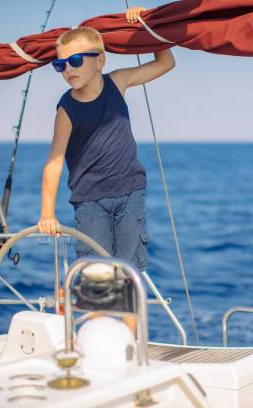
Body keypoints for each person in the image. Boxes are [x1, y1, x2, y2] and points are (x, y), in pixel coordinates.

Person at [37, 7, 175, 274]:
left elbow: (166, 63)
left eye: (75, 61)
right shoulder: (66, 109)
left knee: (128, 274)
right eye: (60, 65)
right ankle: (99, 315)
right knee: (96, 276)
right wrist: (47, 213)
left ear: (100, 60)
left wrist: (145, 25)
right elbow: (54, 162)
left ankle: (128, 317)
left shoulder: (118, 82)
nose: (67, 69)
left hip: (130, 193)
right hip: (89, 201)